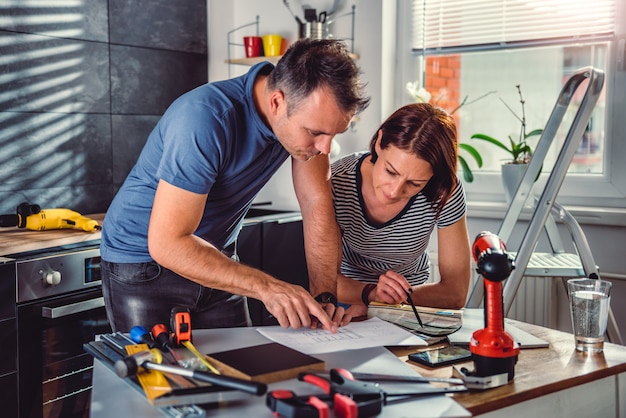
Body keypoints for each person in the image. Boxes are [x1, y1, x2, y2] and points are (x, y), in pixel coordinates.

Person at [99, 38, 370, 333]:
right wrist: (267, 287)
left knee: (243, 371)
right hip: (145, 263)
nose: (325, 148)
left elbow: (316, 204)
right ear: (277, 102)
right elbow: (167, 243)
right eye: (316, 133)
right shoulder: (204, 118)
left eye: (334, 134)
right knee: (163, 377)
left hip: (215, 256)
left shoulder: (303, 122)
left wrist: (324, 296)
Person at [330, 103, 471, 320]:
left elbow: (455, 292)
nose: (394, 191)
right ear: (379, 142)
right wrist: (370, 295)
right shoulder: (337, 181)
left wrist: (384, 304)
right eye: (390, 171)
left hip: (411, 302)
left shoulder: (444, 190)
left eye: (415, 183)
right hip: (347, 300)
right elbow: (322, 279)